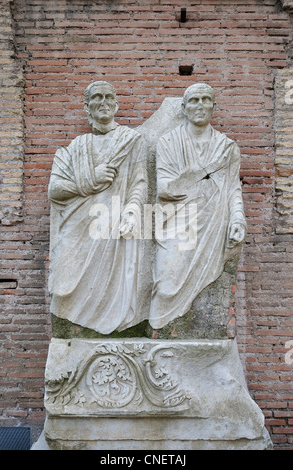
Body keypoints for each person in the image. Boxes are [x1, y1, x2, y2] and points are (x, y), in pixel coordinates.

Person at [48, 81, 147, 334]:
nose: (103, 102)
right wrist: (91, 179)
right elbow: (54, 190)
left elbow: (139, 183)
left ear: (116, 104)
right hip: (80, 227)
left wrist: (133, 212)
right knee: (66, 286)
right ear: (87, 107)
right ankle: (74, 328)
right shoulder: (75, 149)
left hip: (115, 228)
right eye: (96, 98)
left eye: (108, 97)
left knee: (114, 290)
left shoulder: (132, 141)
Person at [149, 83, 247, 330]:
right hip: (178, 225)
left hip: (215, 224)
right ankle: (161, 339)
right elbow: (166, 189)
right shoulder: (168, 143)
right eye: (194, 100)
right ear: (184, 108)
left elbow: (233, 189)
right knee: (164, 285)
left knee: (207, 297)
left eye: (206, 100)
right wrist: (205, 169)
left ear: (214, 106)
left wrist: (237, 219)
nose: (200, 105)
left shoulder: (227, 147)